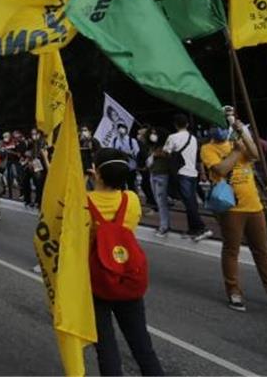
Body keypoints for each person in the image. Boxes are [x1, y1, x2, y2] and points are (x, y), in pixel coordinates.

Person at [86, 149, 164, 376]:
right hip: (128, 278)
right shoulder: (131, 200)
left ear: (97, 174)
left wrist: (89, 184)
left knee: (106, 348)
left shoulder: (83, 202)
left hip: (96, 282)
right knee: (142, 346)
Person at [200, 107, 267, 311]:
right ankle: (234, 291)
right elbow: (221, 169)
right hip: (231, 207)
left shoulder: (237, 139)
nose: (219, 128)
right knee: (231, 250)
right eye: (215, 124)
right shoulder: (208, 149)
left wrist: (241, 131)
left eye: (223, 123)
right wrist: (236, 151)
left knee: (262, 251)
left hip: (255, 205)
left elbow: (255, 155)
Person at [163, 114, 212, 241]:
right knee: (192, 202)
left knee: (189, 203)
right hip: (192, 172)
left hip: (181, 173)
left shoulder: (172, 137)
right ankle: (193, 229)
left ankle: (202, 228)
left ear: (175, 124)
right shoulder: (193, 138)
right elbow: (196, 156)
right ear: (187, 124)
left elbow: (165, 153)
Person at [145, 128, 173, 236]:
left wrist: (157, 155)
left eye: (155, 133)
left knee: (161, 202)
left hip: (162, 175)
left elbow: (168, 155)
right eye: (152, 133)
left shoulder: (166, 146)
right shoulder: (152, 147)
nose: (153, 135)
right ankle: (164, 224)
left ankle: (164, 226)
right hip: (153, 174)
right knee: (159, 200)